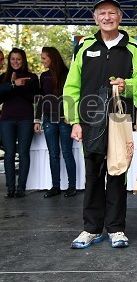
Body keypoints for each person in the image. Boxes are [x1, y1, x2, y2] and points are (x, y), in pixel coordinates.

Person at [63, 0, 137, 249]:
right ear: (95, 18)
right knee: (93, 176)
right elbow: (71, 87)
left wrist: (128, 85)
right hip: (89, 122)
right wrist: (74, 121)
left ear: (120, 17)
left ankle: (116, 229)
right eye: (102, 13)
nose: (107, 17)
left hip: (119, 121)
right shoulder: (85, 48)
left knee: (117, 174)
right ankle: (91, 228)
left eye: (112, 12)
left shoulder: (134, 49)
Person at [34, 46, 77, 198]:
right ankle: (56, 186)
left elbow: (71, 95)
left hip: (64, 120)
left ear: (52, 58)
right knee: (53, 154)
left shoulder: (67, 74)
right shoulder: (43, 76)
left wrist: (70, 115)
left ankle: (72, 186)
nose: (42, 60)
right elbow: (40, 98)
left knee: (66, 153)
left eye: (44, 58)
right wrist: (37, 119)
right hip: (48, 119)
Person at [0, 48, 40, 198]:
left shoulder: (32, 77)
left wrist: (19, 85)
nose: (15, 62)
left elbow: (35, 98)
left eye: (18, 59)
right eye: (12, 59)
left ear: (23, 60)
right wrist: (11, 84)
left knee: (23, 153)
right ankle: (10, 188)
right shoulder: (3, 77)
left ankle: (21, 188)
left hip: (25, 119)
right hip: (6, 120)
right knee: (9, 154)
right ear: (9, 61)